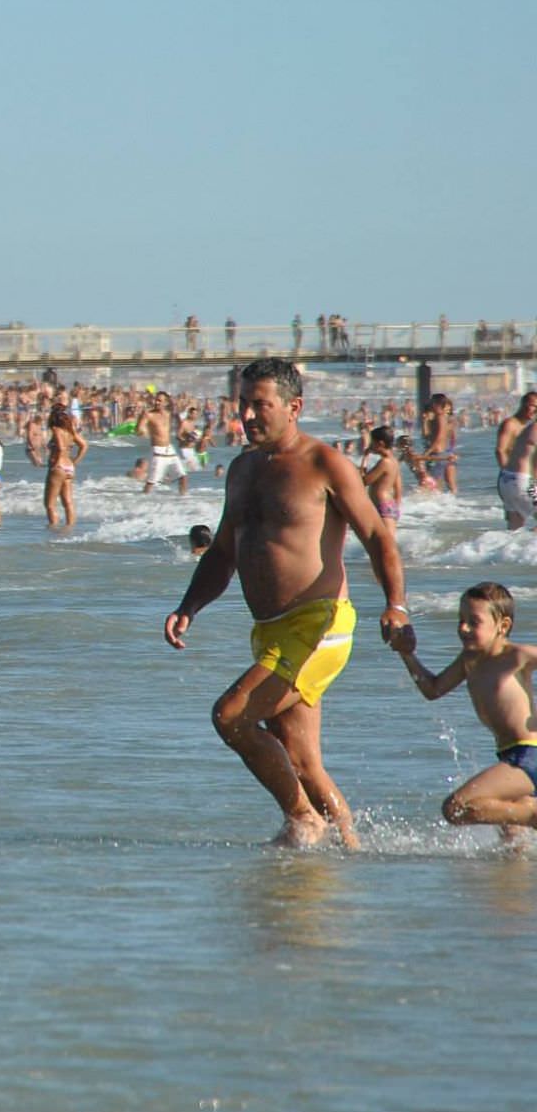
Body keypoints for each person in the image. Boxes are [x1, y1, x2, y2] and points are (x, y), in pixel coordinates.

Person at [164, 359, 412, 849]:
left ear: (293, 407)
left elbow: (378, 536)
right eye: (243, 404)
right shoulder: (241, 469)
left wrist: (396, 605)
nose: (248, 415)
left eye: (261, 404)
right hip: (274, 631)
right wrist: (189, 606)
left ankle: (303, 820)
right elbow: (224, 552)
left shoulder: (324, 463)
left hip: (320, 625)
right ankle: (350, 846)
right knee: (302, 761)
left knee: (230, 715)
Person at [394, 584, 537, 834]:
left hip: (529, 756)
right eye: (461, 620)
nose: (463, 628)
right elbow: (433, 689)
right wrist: (408, 655)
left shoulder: (516, 656)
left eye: (474, 622)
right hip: (508, 754)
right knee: (512, 845)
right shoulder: (469, 661)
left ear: (502, 626)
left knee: (456, 808)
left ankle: (533, 814)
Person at [493, 391, 537, 531]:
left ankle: (505, 552)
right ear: (523, 404)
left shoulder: (528, 427)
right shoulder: (511, 424)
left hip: (509, 480)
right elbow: (500, 450)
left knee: (514, 529)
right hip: (519, 478)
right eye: (531, 405)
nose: (534, 409)